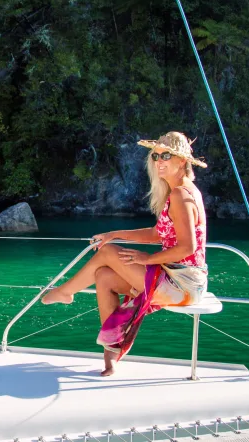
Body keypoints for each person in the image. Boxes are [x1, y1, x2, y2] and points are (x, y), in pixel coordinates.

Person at [41, 131, 209, 376]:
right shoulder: (180, 191)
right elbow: (156, 234)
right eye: (156, 155)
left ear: (181, 161)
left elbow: (187, 248)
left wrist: (147, 259)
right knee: (104, 277)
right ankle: (112, 355)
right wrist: (114, 233)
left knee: (108, 253)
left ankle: (65, 292)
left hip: (184, 285)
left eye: (167, 155)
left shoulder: (181, 195)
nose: (159, 160)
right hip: (177, 278)